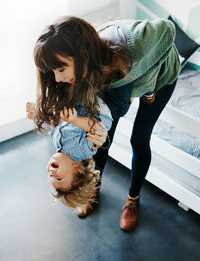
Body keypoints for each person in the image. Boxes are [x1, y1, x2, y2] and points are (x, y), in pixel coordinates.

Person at [33, 15, 181, 230]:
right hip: (116, 80)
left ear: (82, 55)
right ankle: (93, 187)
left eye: (61, 69)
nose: (57, 79)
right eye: (53, 71)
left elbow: (168, 29)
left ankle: (133, 200)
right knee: (103, 139)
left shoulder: (135, 43)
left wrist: (140, 88)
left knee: (139, 139)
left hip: (160, 78)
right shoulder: (83, 71)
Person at [26, 98, 112, 215]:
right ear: (76, 167)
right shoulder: (83, 150)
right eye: (59, 178)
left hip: (74, 102)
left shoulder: (58, 144)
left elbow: (53, 124)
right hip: (95, 107)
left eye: (50, 176)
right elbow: (101, 129)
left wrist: (37, 116)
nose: (52, 173)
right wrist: (76, 120)